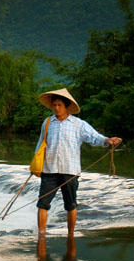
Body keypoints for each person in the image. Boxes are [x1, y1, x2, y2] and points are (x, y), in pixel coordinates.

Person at [34, 88, 121, 236]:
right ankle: (41, 234)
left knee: (71, 205)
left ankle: (71, 234)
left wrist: (107, 140)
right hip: (49, 170)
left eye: (59, 105)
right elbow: (41, 144)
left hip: (70, 171)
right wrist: (36, 164)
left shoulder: (78, 124)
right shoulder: (47, 122)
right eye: (54, 105)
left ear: (67, 107)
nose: (56, 108)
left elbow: (94, 137)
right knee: (42, 204)